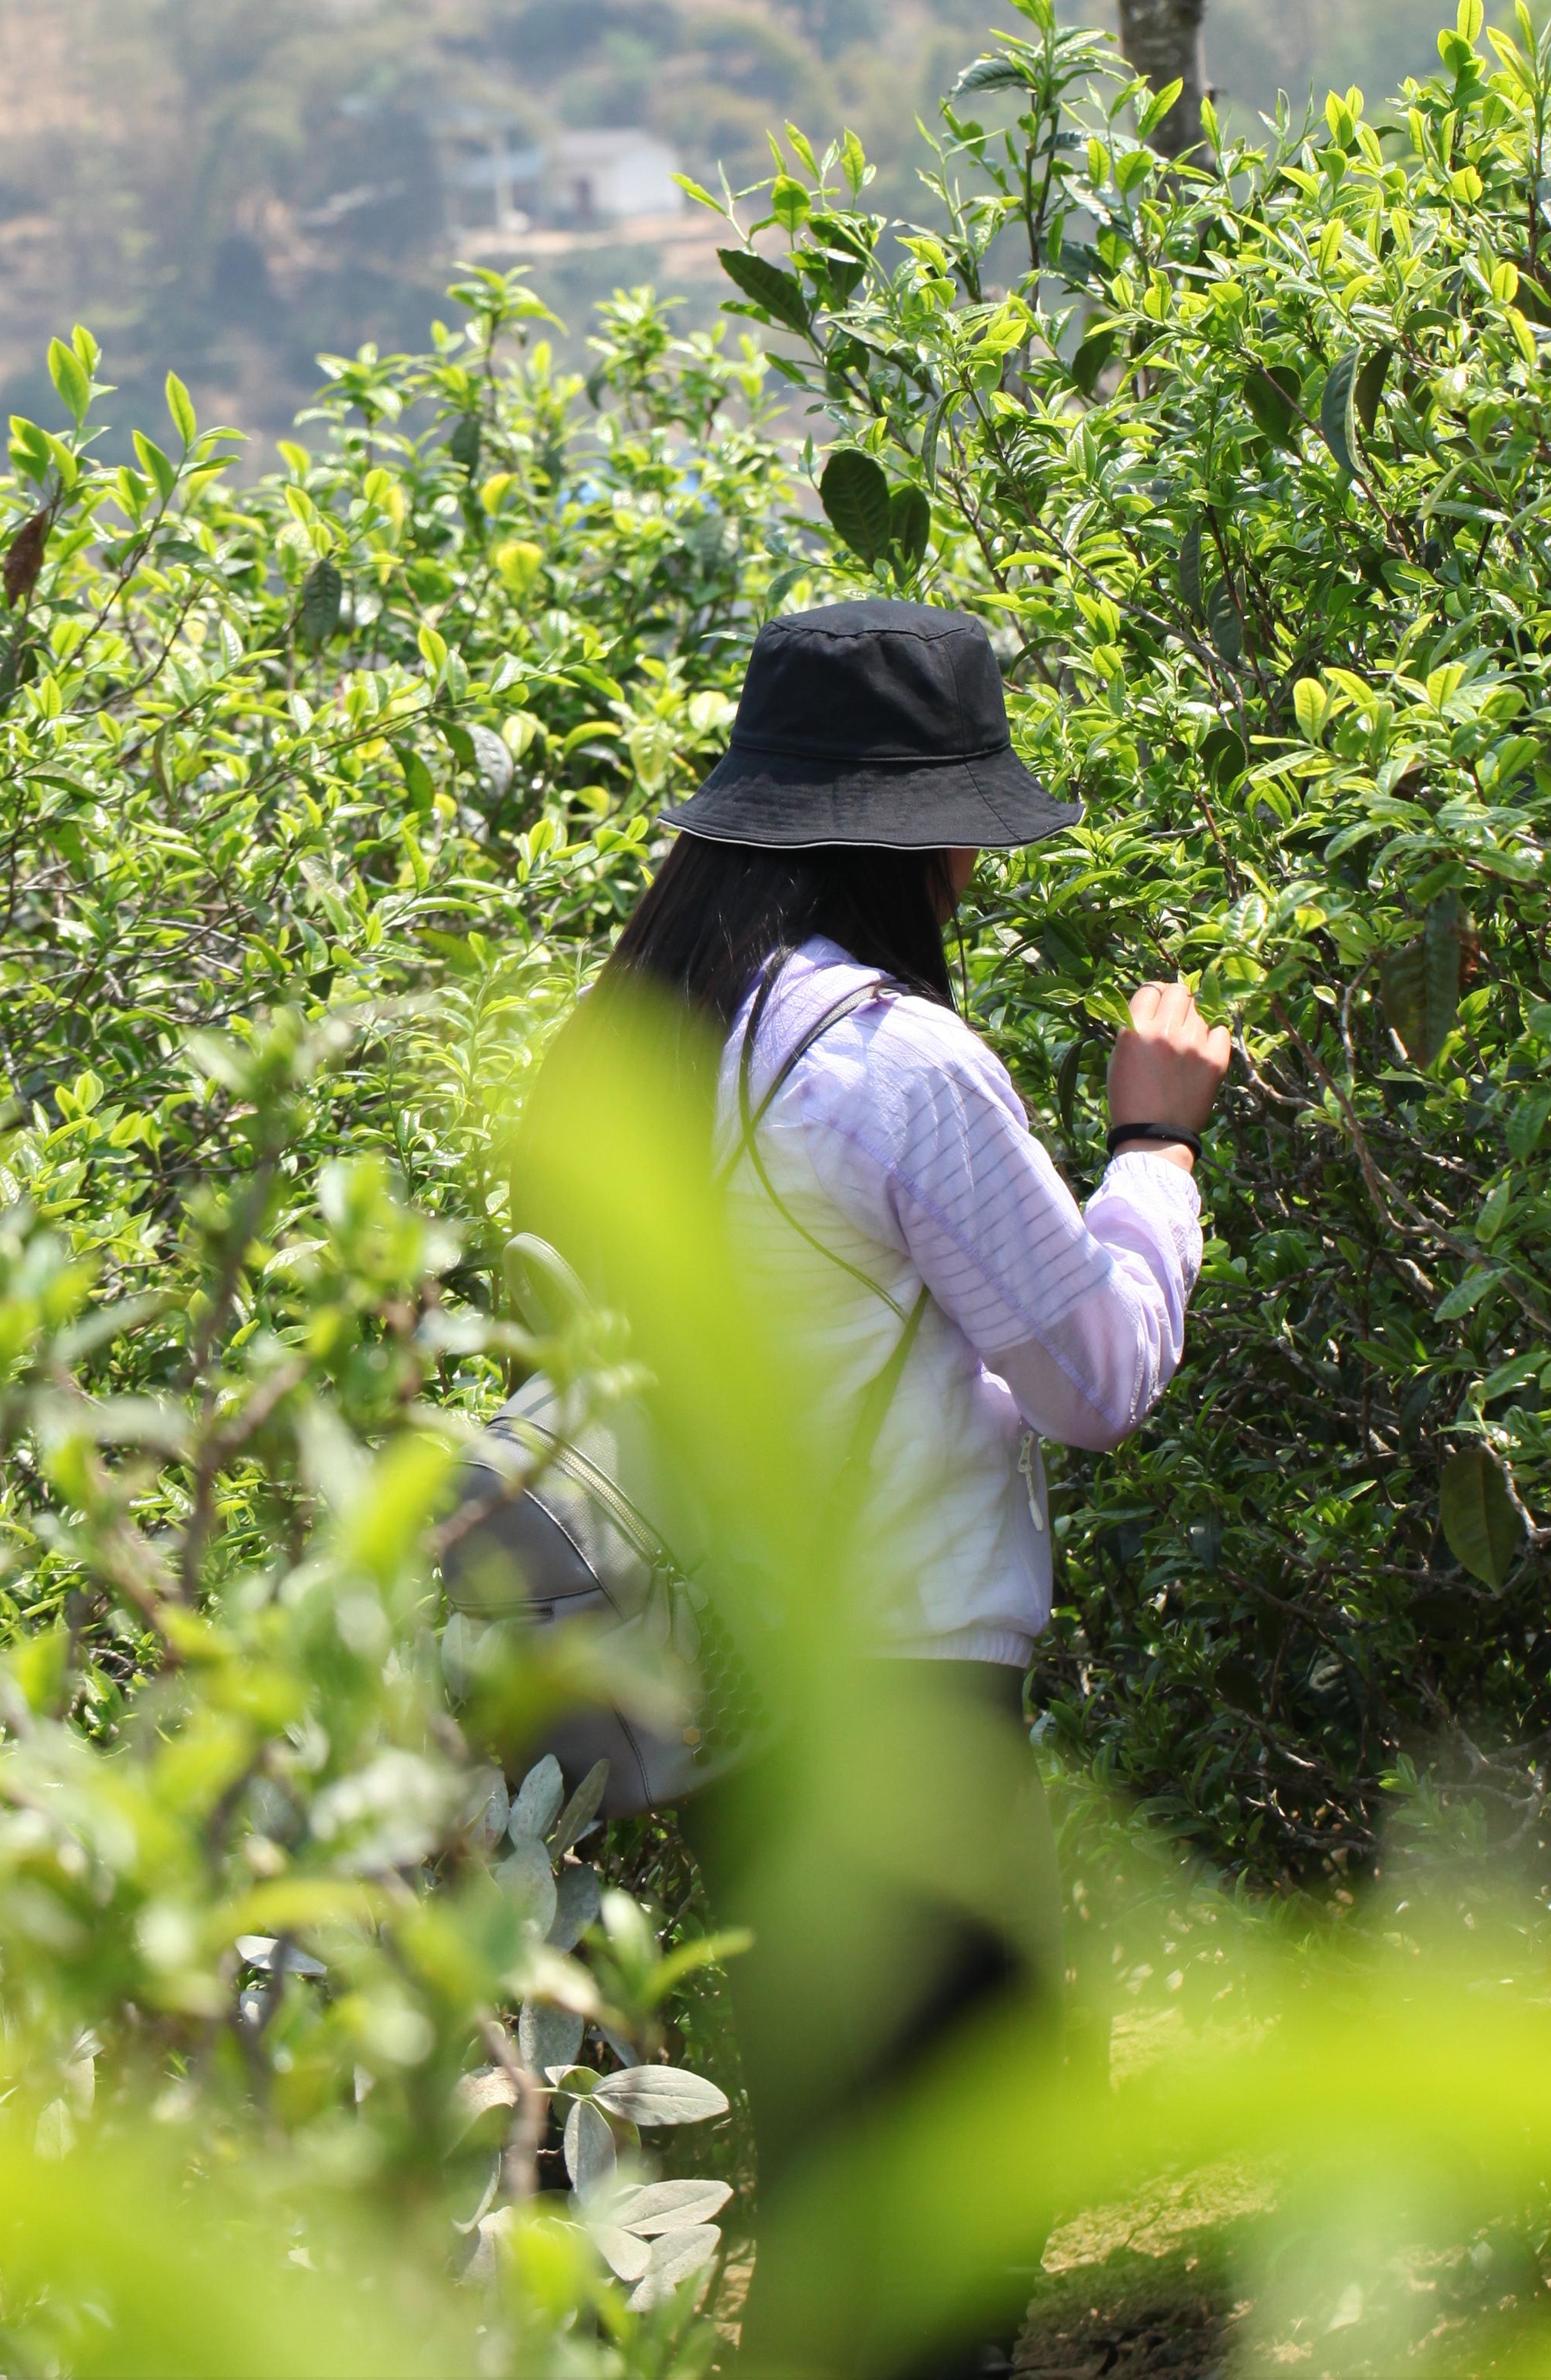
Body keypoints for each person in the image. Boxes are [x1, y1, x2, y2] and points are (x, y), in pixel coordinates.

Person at [597, 595, 1228, 2377]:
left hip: (726, 1688)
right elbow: (1096, 1376)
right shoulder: (892, 1062)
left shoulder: (657, 1037)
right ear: (930, 837)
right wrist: (1156, 1142)